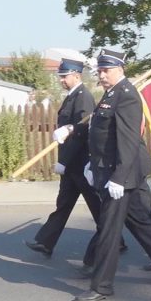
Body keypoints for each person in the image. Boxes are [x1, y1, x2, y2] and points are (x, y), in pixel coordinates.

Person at [73, 49, 151, 301]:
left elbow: (128, 140)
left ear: (120, 69)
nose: (102, 75)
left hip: (121, 173)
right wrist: (92, 163)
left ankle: (101, 286)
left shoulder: (126, 96)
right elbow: (101, 133)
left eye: (106, 70)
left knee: (109, 230)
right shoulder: (112, 94)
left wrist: (118, 177)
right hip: (114, 170)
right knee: (141, 221)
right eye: (100, 71)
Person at [25, 59, 108, 257]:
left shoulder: (83, 97)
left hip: (80, 163)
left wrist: (64, 161)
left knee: (96, 205)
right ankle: (45, 242)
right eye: (60, 77)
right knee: (63, 204)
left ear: (76, 75)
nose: (61, 80)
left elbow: (82, 132)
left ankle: (114, 240)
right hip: (71, 166)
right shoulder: (72, 96)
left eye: (64, 76)